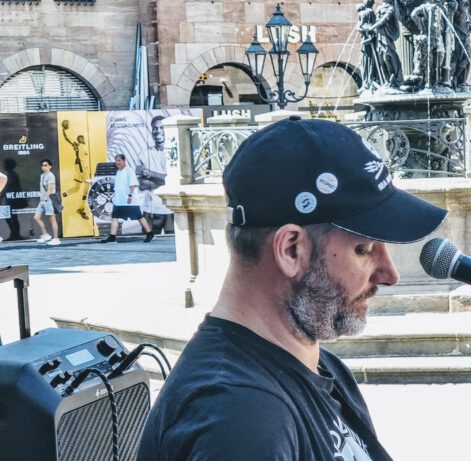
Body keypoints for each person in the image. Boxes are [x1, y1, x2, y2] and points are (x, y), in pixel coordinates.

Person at [138, 117, 448, 460]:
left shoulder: (316, 365)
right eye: (364, 250)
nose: (389, 275)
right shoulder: (239, 417)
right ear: (291, 250)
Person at [100, 154, 154, 243]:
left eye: (119, 160)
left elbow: (133, 184)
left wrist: (130, 196)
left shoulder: (129, 170)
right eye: (116, 161)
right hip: (119, 201)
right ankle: (112, 237)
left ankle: (150, 233)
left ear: (124, 161)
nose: (117, 162)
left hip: (129, 200)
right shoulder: (118, 172)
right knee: (115, 217)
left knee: (139, 217)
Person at [34, 159, 61, 246]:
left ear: (50, 166)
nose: (44, 167)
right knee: (36, 217)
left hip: (48, 200)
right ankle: (46, 235)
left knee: (52, 219)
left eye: (46, 165)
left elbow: (49, 190)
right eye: (43, 165)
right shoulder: (42, 176)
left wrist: (44, 200)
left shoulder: (51, 176)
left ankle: (56, 239)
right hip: (42, 200)